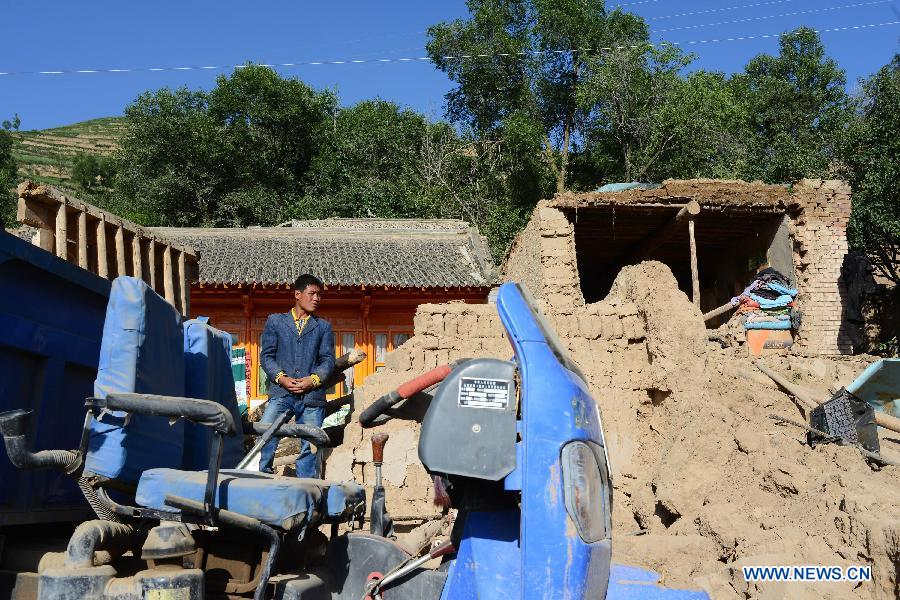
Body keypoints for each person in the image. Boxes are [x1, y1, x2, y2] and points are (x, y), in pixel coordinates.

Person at [259, 274, 335, 477]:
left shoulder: (323, 327)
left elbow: (328, 361)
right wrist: (282, 378)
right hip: (282, 393)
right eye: (312, 294)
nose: (316, 298)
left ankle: (305, 491)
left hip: (312, 397)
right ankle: (262, 477)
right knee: (265, 434)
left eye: (319, 295)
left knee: (309, 447)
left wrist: (313, 380)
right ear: (297, 294)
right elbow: (266, 357)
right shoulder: (275, 322)